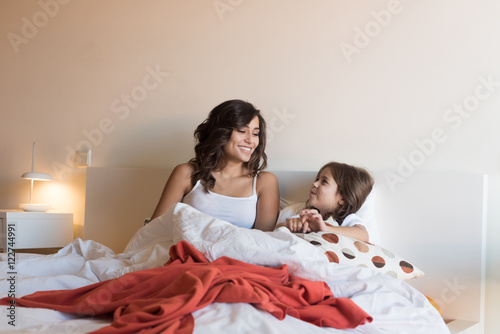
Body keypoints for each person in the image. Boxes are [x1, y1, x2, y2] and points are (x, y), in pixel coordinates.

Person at [151, 99, 280, 231]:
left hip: (237, 251)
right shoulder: (187, 174)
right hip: (185, 250)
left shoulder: (264, 182)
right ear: (221, 132)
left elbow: (264, 242)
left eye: (255, 133)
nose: (250, 140)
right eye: (242, 131)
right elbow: (154, 230)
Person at [275, 161, 378, 243]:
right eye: (317, 179)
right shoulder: (302, 214)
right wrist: (290, 225)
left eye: (324, 181)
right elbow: (273, 232)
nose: (314, 183)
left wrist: (325, 228)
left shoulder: (346, 220)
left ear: (343, 199)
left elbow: (363, 235)